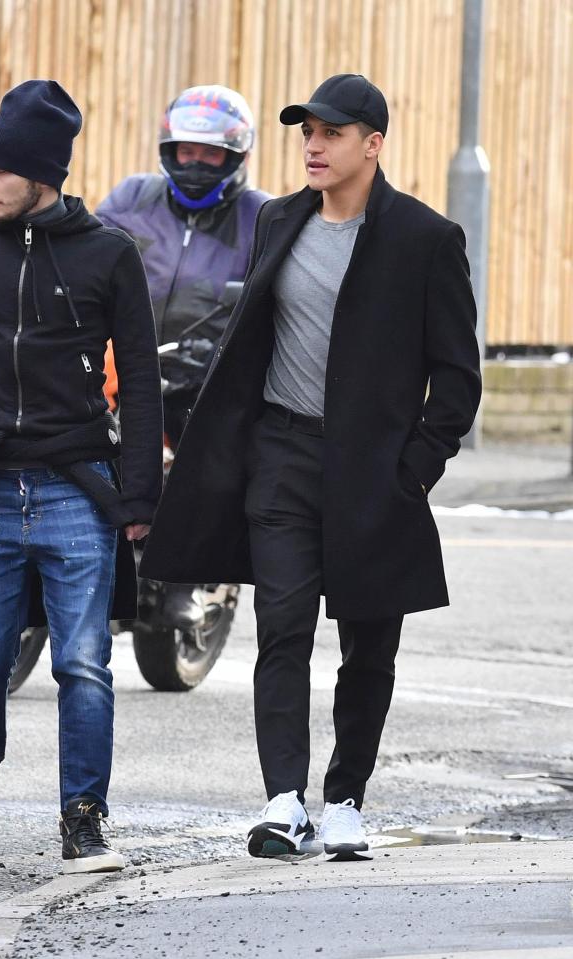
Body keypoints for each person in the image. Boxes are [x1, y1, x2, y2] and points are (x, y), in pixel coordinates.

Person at [139, 74, 481, 861]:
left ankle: (346, 800)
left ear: (373, 143)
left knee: (369, 644)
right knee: (282, 629)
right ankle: (284, 799)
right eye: (305, 134)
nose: (313, 147)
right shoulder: (281, 220)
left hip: (375, 471)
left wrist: (413, 469)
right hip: (283, 456)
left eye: (330, 133)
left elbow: (457, 376)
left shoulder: (426, 240)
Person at [0, 80, 162, 872]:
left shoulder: (110, 255)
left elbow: (142, 381)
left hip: (76, 489)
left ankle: (83, 814)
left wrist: (139, 496)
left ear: (43, 174)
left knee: (85, 661)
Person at [97, 84, 270, 628]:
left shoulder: (262, 217)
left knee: (210, 463)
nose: (195, 163)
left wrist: (231, 346)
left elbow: (278, 297)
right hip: (124, 362)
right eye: (186, 150)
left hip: (205, 375)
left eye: (210, 152)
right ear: (169, 149)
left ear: (234, 155)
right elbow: (86, 259)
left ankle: (188, 581)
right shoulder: (131, 200)